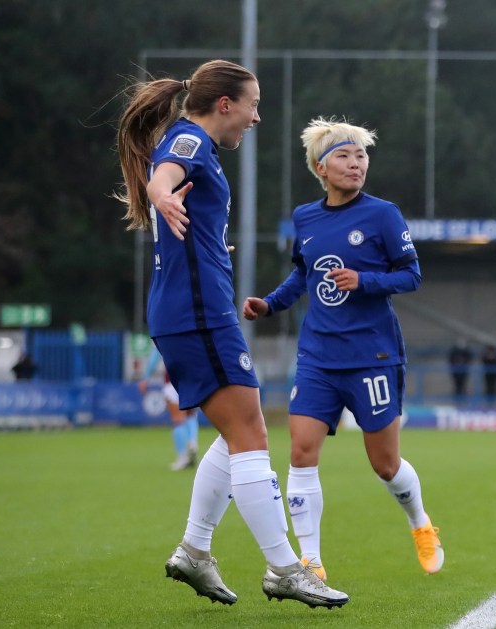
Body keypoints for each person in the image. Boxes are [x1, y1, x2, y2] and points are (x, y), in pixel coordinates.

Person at [116, 60, 347, 608]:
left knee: (234, 434)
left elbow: (174, 184)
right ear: (226, 105)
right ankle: (284, 569)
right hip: (198, 315)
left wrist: (211, 248)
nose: (256, 117)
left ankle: (195, 553)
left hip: (192, 312)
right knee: (253, 438)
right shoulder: (191, 141)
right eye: (253, 104)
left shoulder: (194, 143)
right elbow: (166, 174)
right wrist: (160, 191)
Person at [243, 117, 443, 583]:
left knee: (385, 464)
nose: (356, 165)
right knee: (301, 451)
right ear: (321, 167)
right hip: (318, 356)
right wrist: (269, 304)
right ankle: (310, 561)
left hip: (372, 355)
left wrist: (364, 280)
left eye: (361, 156)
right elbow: (302, 274)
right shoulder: (305, 217)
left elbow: (411, 275)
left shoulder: (383, 215)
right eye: (344, 157)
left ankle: (420, 522)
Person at [138, 346, 200, 471]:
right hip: (192, 379)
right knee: (191, 415)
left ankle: (182, 457)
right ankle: (192, 441)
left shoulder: (165, 331)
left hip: (172, 380)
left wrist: (145, 378)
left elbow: (155, 358)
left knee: (178, 420)